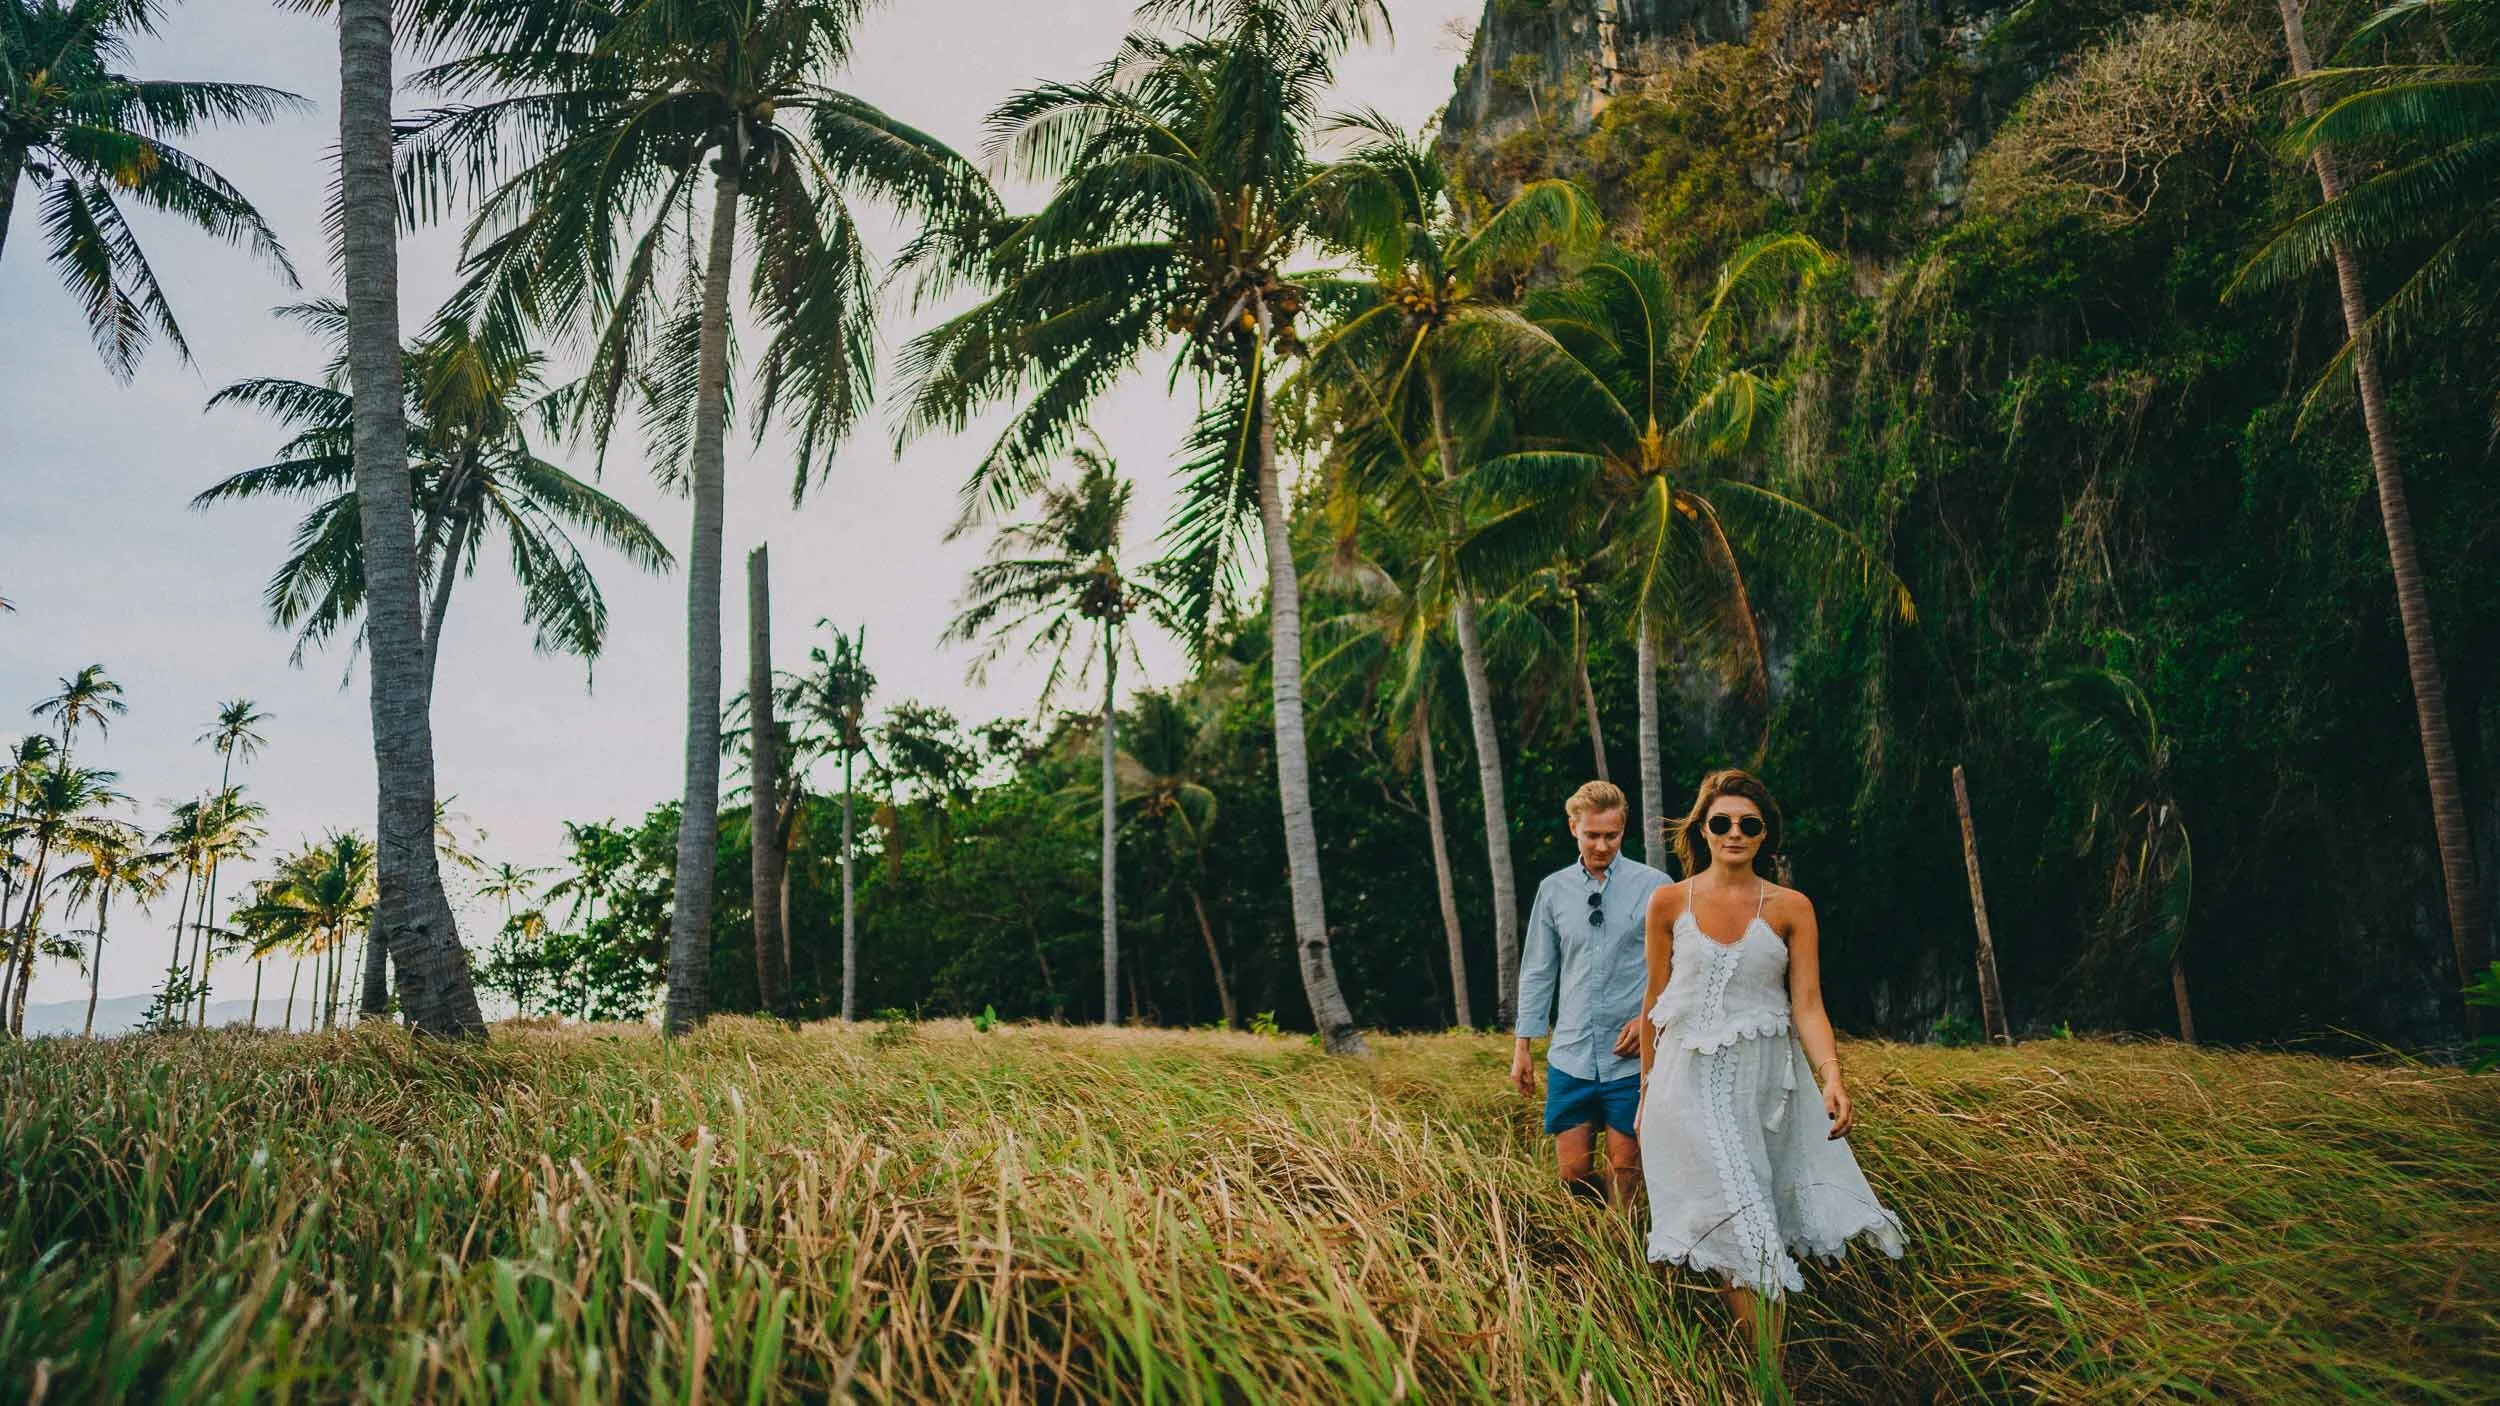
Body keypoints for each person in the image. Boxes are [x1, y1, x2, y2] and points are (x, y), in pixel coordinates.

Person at [1637, 768, 1903, 1346]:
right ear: (1704, 830)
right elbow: (1655, 1004)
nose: (1735, 832)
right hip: (1683, 1088)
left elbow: (1807, 1004)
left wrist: (1832, 1076)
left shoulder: (1791, 908)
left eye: (1748, 825)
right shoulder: (1666, 904)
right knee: (1745, 1227)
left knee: (1749, 1217)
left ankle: (1753, 1372)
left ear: (1764, 836)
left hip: (1762, 1091)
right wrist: (1644, 1092)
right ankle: (1769, 1385)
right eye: (1722, 822)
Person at [1510, 780, 1670, 1205]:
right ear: (1573, 829)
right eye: (1592, 835)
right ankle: (1584, 1256)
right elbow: (1538, 970)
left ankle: (1621, 1257)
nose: (1602, 845)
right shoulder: (1553, 889)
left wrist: (1649, 1018)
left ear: (1623, 830)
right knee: (1574, 1174)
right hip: (1572, 1053)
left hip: (1631, 1060)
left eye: (1611, 835)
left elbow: (1679, 967)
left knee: (1625, 1173)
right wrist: (1523, 1046)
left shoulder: (1655, 886)